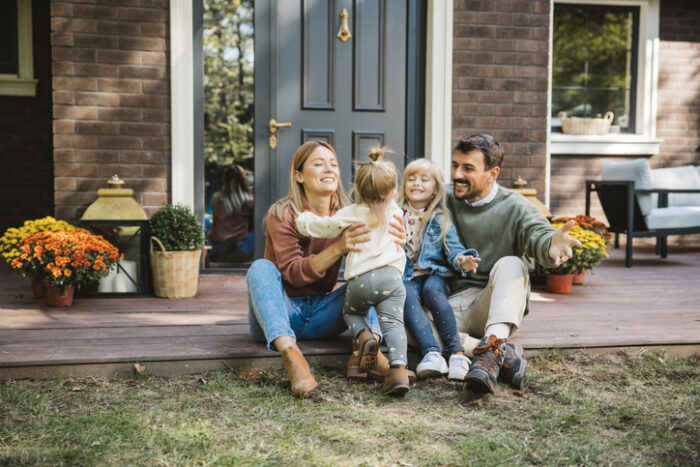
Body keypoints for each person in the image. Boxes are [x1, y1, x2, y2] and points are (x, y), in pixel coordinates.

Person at [246, 140, 406, 398]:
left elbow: (390, 247)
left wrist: (398, 237)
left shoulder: (352, 213)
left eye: (333, 164)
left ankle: (366, 348)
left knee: (376, 276)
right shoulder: (283, 214)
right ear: (299, 175)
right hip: (281, 312)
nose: (328, 169)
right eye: (318, 164)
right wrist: (340, 246)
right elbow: (293, 275)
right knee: (260, 268)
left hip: (323, 312)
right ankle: (291, 354)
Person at [445, 134, 580, 394]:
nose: (457, 174)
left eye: (468, 168)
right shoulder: (443, 197)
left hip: (492, 303)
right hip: (449, 302)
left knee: (512, 264)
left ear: (492, 173)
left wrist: (551, 244)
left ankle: (493, 344)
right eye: (454, 165)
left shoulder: (516, 206)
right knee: (407, 321)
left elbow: (537, 233)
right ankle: (498, 353)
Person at [296, 148, 410, 396]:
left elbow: (322, 227)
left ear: (357, 189)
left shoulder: (351, 213)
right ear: (392, 191)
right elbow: (405, 237)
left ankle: (364, 336)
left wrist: (302, 220)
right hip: (391, 280)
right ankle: (399, 371)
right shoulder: (396, 212)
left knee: (352, 313)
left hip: (360, 282)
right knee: (394, 325)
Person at [398, 159, 481, 381]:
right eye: (411, 179)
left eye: (424, 180)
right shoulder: (395, 214)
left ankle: (457, 354)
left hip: (435, 274)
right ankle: (432, 353)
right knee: (405, 294)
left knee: (433, 291)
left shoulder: (440, 218)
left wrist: (463, 260)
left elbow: (453, 249)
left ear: (435, 188)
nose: (417, 183)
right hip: (407, 276)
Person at [207, 164, 254, 262]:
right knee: (260, 228)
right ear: (243, 181)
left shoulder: (216, 200)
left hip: (217, 247)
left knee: (204, 221)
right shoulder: (249, 202)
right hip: (239, 248)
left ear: (225, 180)